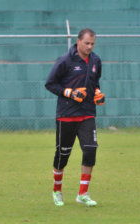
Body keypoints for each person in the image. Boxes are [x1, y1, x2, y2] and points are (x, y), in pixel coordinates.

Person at [45, 28, 105, 206]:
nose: (89, 47)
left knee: (90, 150)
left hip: (87, 114)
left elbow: (95, 83)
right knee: (63, 155)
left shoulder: (96, 60)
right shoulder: (65, 60)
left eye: (92, 44)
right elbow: (50, 84)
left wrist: (98, 93)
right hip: (67, 115)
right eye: (86, 43)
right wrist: (69, 93)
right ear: (78, 41)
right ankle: (57, 191)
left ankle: (83, 194)